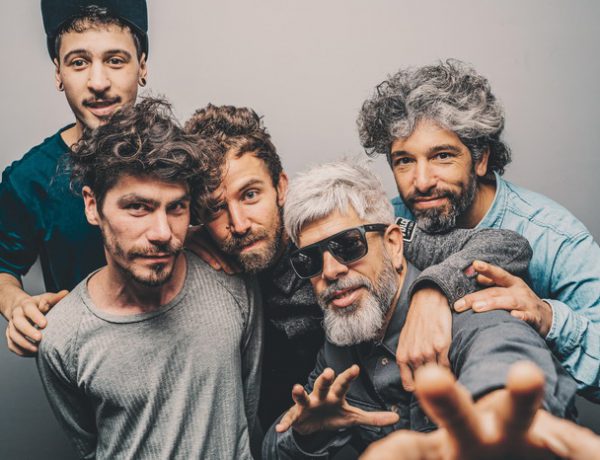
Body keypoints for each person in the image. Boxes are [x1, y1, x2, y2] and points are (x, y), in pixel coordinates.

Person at [184, 104, 541, 428]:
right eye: (215, 208)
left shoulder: (342, 227)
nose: (239, 223)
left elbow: (504, 245)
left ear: (280, 186)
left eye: (250, 195)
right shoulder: (203, 261)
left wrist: (433, 291)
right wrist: (182, 243)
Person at [262, 160, 576, 459]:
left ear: (393, 245)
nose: (330, 271)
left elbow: (504, 357)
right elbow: (272, 448)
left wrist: (495, 418)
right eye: (311, 260)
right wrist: (307, 435)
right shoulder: (337, 353)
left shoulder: (470, 311)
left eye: (348, 245)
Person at [357, 59, 600, 398]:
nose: (422, 181)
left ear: (481, 158)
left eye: (442, 156)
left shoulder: (553, 236)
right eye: (405, 161)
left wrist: (548, 318)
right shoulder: (390, 222)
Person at [36, 98, 262, 459]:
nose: (162, 233)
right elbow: (91, 447)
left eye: (176, 207)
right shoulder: (63, 338)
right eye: (138, 207)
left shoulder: (232, 286)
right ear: (92, 206)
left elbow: (248, 416)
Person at [0, 0, 148, 356]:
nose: (98, 82)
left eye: (115, 60)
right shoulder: (29, 180)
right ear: (58, 72)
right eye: (79, 62)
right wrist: (15, 303)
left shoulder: (182, 159)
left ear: (142, 66)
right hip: (87, 365)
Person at [362, 362, 600, 460]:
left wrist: (491, 405)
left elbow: (496, 337)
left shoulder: (469, 307)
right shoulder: (339, 363)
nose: (342, 274)